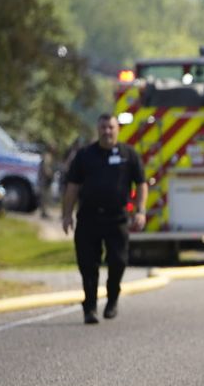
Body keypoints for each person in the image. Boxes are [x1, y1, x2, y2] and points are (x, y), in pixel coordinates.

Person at [61, 114, 147, 324]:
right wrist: (66, 215)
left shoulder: (129, 155)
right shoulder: (84, 155)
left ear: (118, 129)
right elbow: (72, 187)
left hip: (117, 218)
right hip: (89, 218)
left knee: (118, 261)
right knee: (88, 264)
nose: (107, 131)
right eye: (103, 127)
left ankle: (112, 299)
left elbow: (141, 183)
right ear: (97, 130)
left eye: (111, 127)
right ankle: (90, 307)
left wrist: (140, 211)